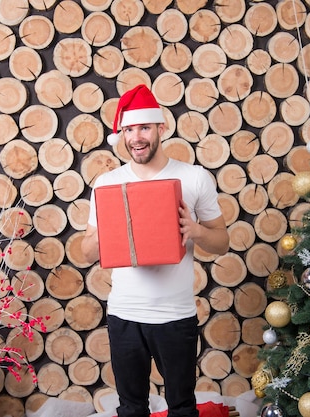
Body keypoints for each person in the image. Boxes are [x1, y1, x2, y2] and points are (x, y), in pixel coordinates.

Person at [81, 84, 229, 417]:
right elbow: (86, 252)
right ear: (122, 135)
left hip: (175, 316)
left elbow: (223, 242)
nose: (137, 137)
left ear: (161, 128)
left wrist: (197, 230)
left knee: (182, 407)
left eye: (144, 127)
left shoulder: (194, 178)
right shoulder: (107, 185)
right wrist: (108, 232)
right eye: (129, 129)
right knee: (131, 408)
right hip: (124, 315)